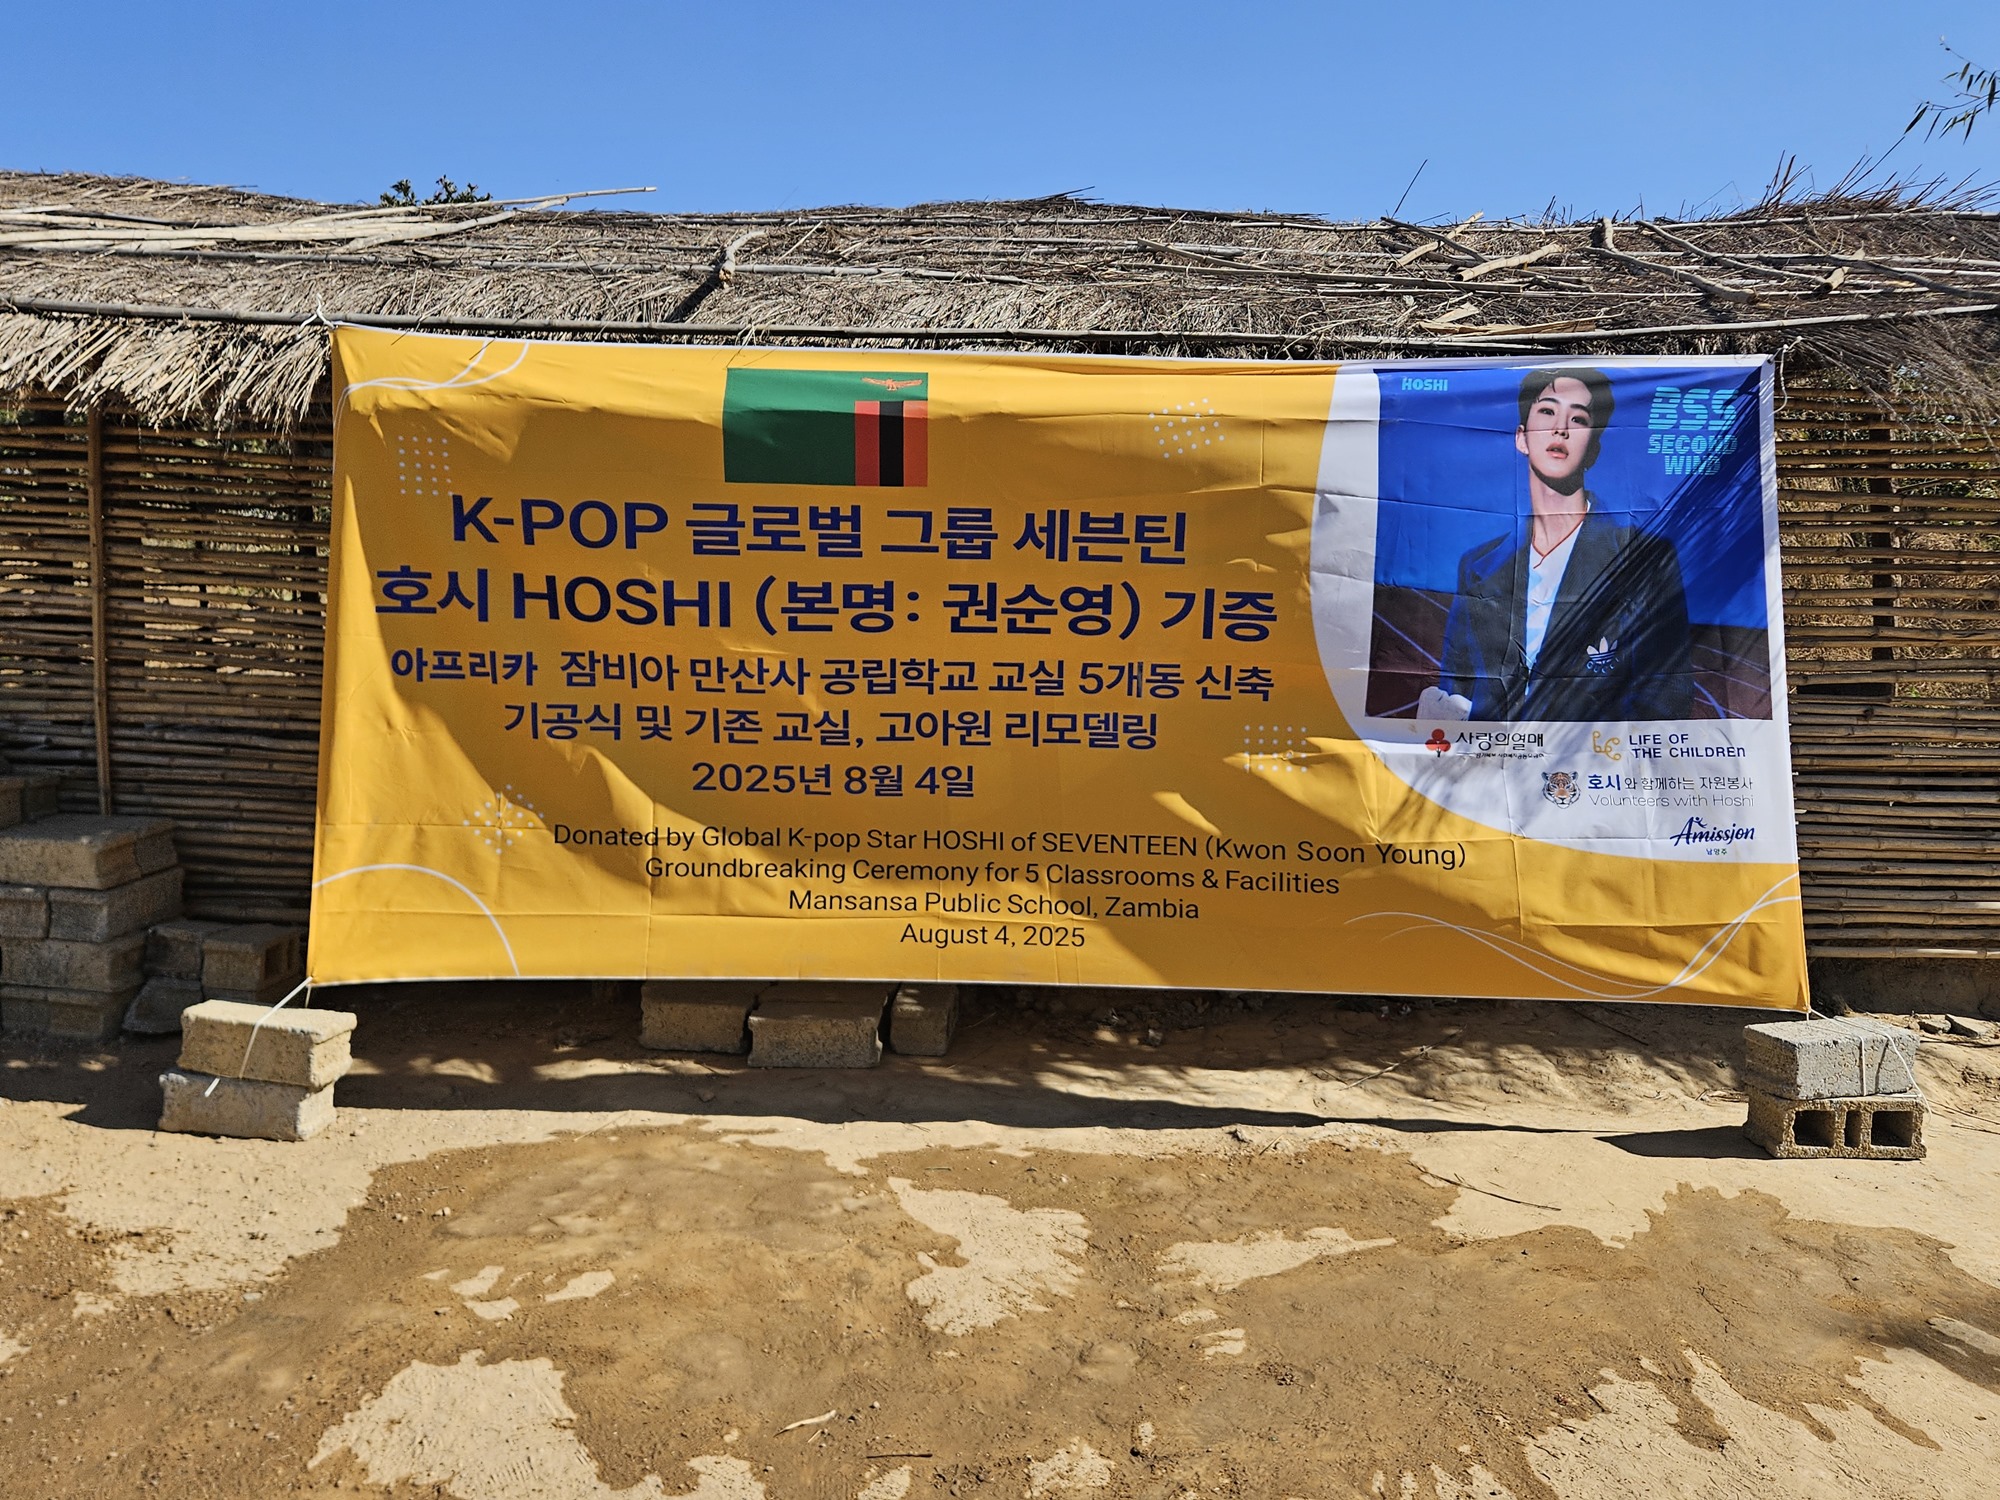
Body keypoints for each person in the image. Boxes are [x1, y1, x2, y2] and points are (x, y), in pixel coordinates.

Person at [1426, 367, 1693, 722]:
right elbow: (1457, 686)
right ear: (1521, 438)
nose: (1560, 428)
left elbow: (1667, 692)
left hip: (1593, 752)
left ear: (1593, 448)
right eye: (1547, 411)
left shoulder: (1644, 558)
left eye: (1578, 419)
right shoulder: (1478, 564)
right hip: (1493, 752)